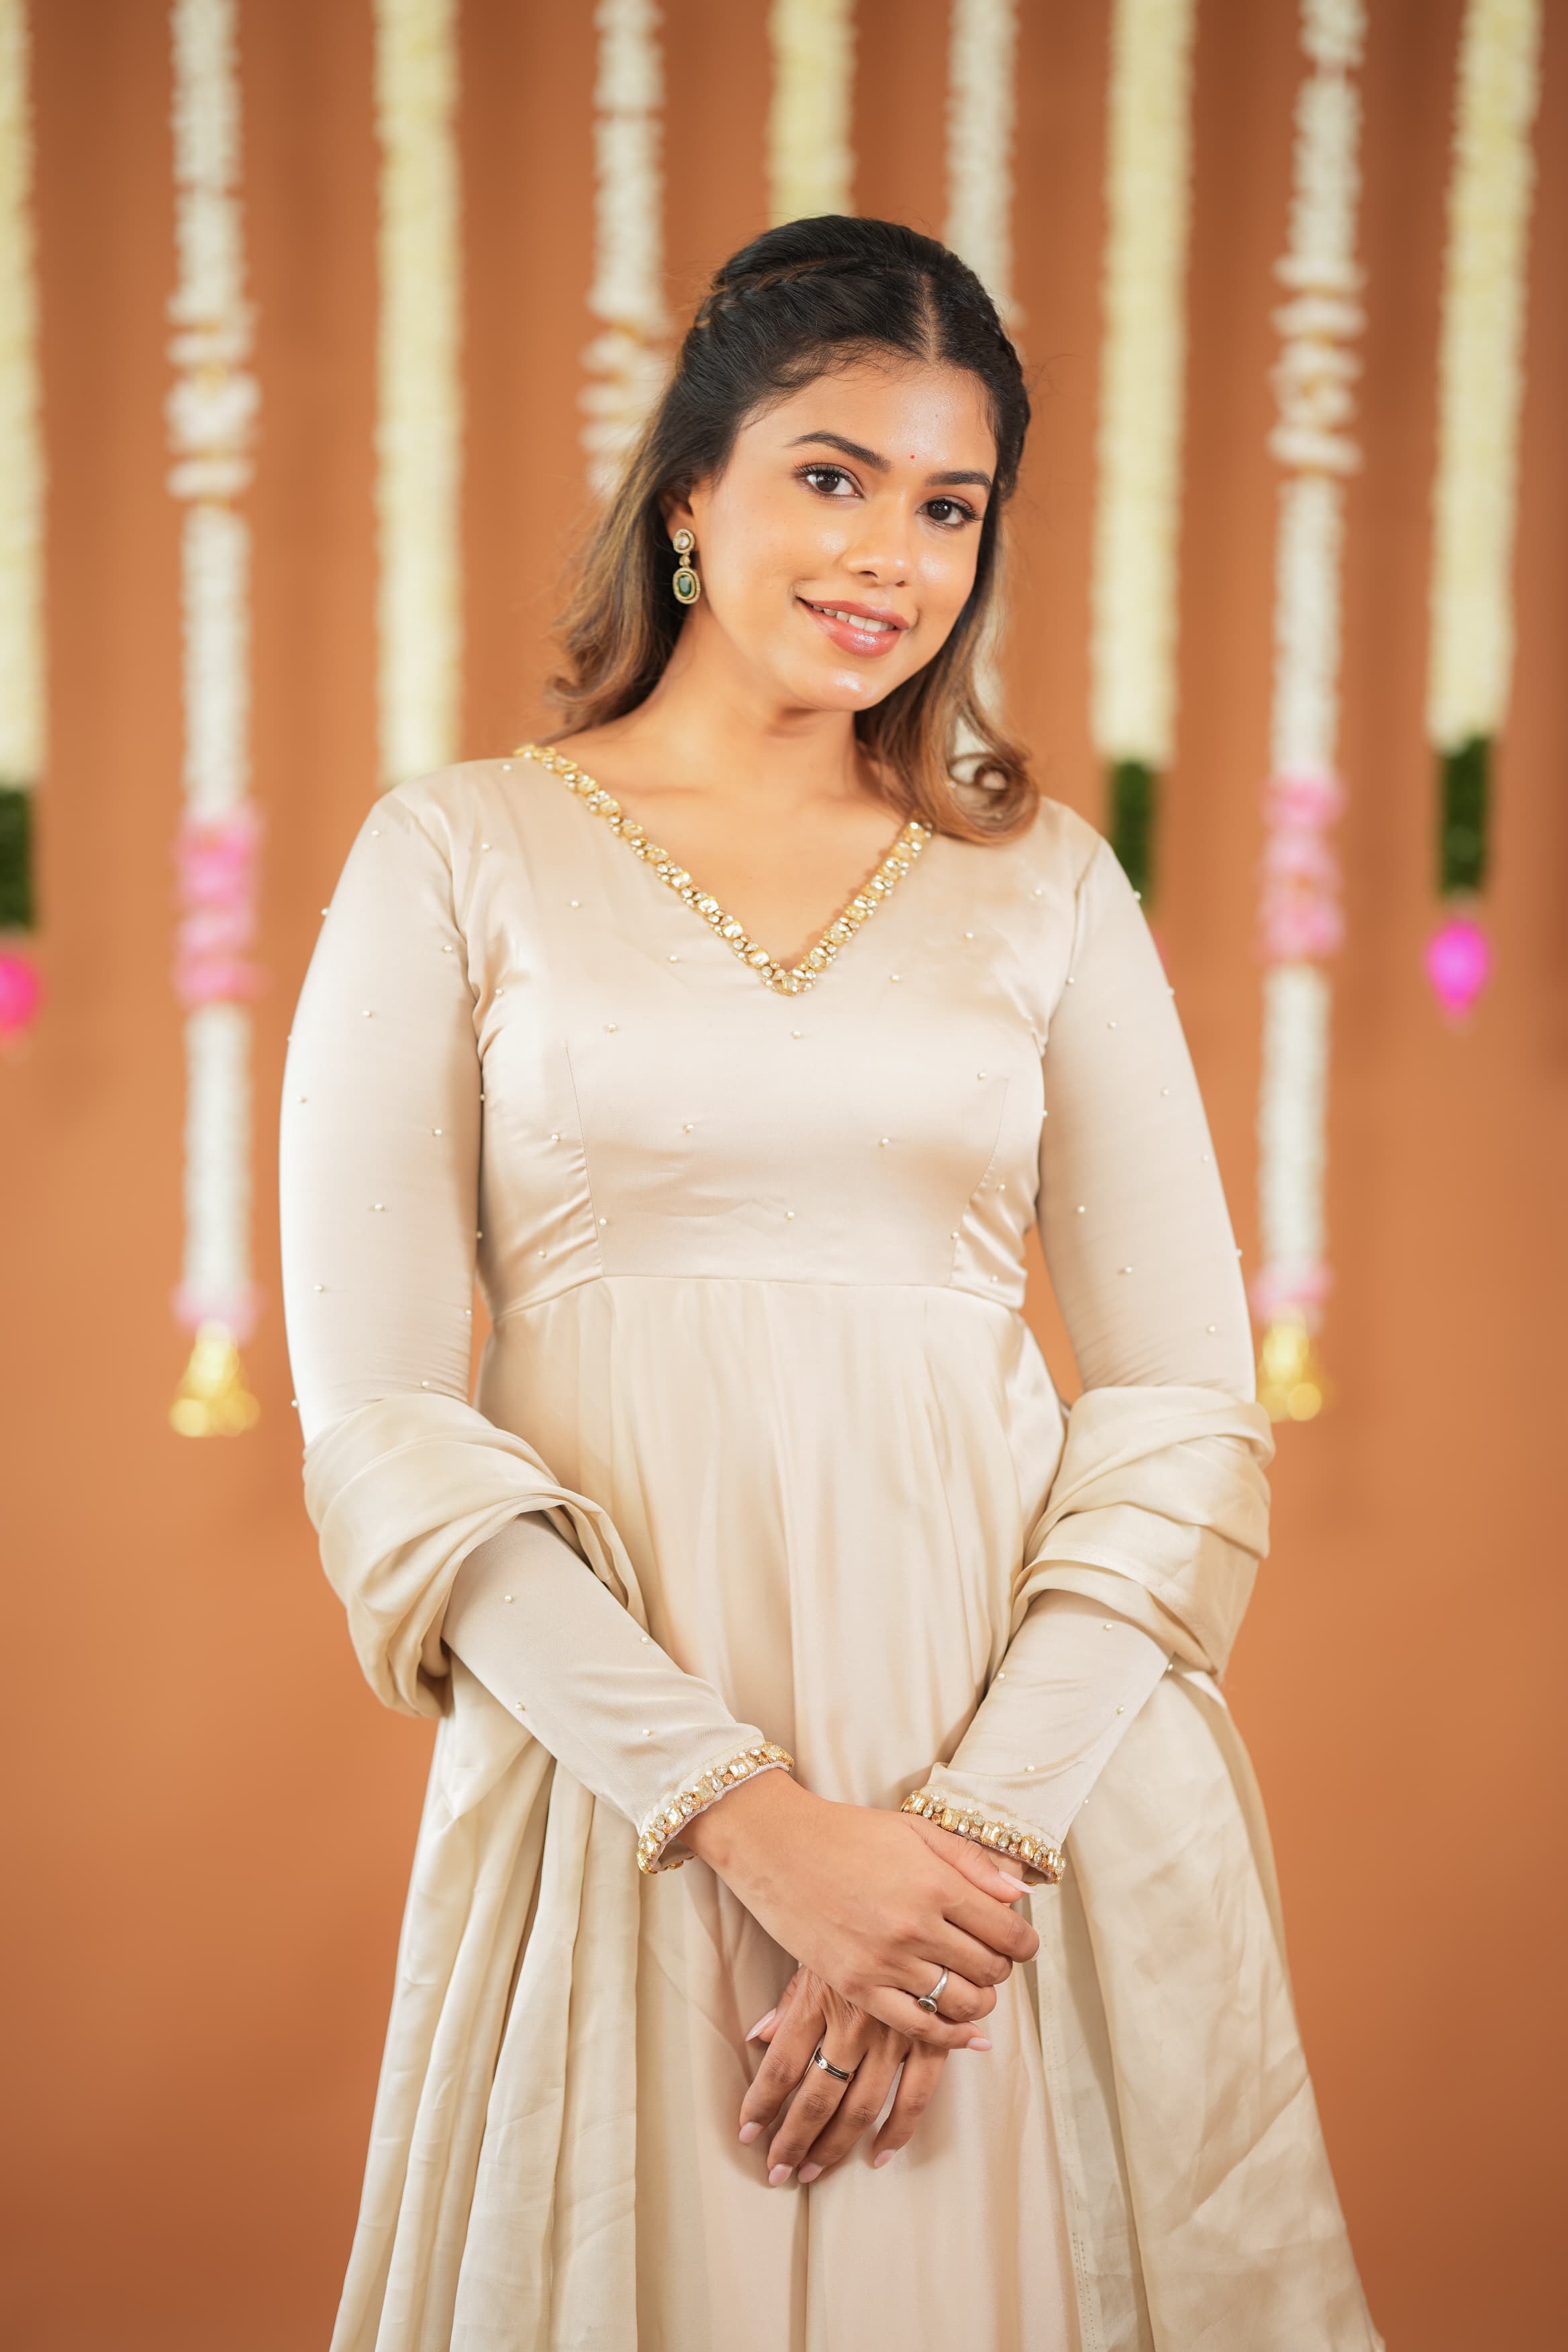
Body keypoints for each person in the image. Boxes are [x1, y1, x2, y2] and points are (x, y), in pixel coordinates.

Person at [280, 215, 1382, 2352]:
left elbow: (1181, 1418)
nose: (892, 552)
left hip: (1027, 1822)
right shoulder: (459, 852)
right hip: (624, 1791)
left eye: (951, 505)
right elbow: (389, 1444)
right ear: (692, 493)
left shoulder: (1045, 883)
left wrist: (959, 1869)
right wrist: (753, 1827)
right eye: (832, 474)